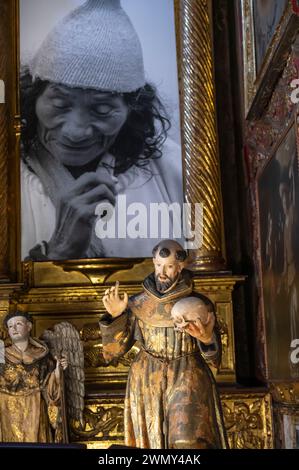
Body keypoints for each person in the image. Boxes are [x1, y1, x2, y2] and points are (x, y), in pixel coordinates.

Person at [21, 0, 183, 261]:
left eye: (102, 110)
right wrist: (56, 253)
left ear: (132, 109)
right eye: (60, 104)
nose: (76, 132)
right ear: (33, 97)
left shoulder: (176, 171)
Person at [100, 239, 228, 449]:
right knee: (150, 444)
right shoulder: (138, 303)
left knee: (189, 442)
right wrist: (116, 317)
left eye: (169, 266)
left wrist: (206, 340)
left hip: (187, 376)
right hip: (147, 379)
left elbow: (214, 359)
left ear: (181, 266)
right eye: (159, 265)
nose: (162, 271)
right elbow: (113, 352)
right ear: (153, 262)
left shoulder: (198, 303)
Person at [0, 311, 68, 442]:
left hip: (35, 409)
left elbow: (49, 387)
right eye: (10, 326)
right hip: (6, 409)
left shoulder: (42, 355)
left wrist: (58, 372)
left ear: (29, 326)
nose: (13, 329)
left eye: (18, 324)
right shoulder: (1, 355)